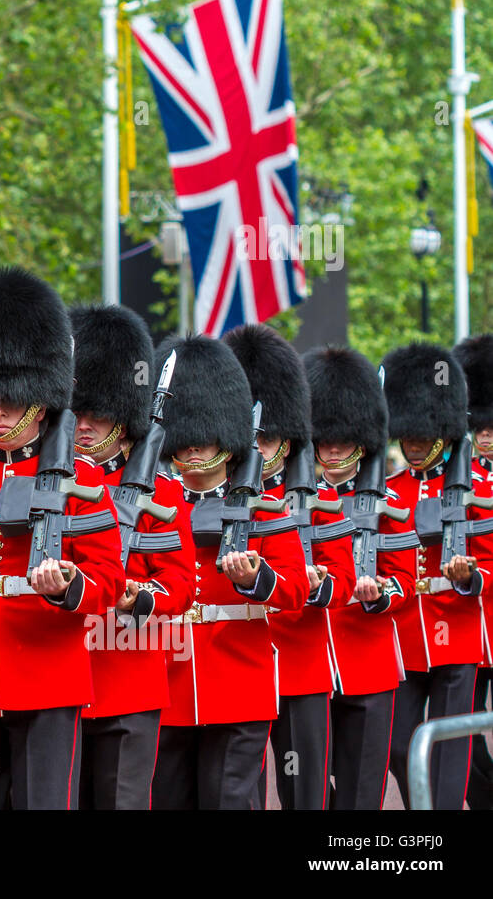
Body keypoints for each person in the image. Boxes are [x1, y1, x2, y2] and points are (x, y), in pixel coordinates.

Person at [0, 269, 124, 810]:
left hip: (47, 675)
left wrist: (68, 586)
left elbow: (108, 579)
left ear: (39, 401)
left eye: (10, 401)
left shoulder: (82, 479)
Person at [148, 335, 308, 810]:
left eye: (204, 439)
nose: (194, 449)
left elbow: (296, 586)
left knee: (230, 802)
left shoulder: (263, 507)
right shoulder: (154, 504)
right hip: (168, 681)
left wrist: (258, 579)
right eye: (186, 440)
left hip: (239, 682)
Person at [69, 304, 195, 810]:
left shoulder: (162, 491)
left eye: (96, 416)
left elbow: (181, 582)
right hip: (62, 676)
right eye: (77, 413)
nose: (83, 427)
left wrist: (139, 595)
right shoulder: (50, 483)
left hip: (130, 677)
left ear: (123, 422)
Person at [225, 324, 356, 810]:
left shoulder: (319, 498)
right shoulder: (221, 496)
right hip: (238, 662)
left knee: (306, 793)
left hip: (300, 660)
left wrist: (312, 584)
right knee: (242, 793)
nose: (258, 447)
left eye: (269, 437)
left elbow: (342, 580)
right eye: (251, 437)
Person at [303, 346, 414, 809]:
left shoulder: (388, 500)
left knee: (362, 793)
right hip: (307, 660)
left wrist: (379, 592)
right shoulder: (291, 500)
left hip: (368, 659)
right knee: (305, 791)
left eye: (342, 441)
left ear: (363, 443)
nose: (331, 450)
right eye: (324, 439)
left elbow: (403, 578)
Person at [382, 343, 489, 809]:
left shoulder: (480, 489)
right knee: (397, 742)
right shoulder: (388, 492)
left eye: (423, 437)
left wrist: (472, 575)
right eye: (408, 438)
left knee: (451, 748)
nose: (415, 445)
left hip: (459, 628)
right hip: (405, 633)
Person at [455, 333, 493, 809]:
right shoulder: (460, 478)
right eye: (479, 425)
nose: (486, 434)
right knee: (464, 740)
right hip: (469, 624)